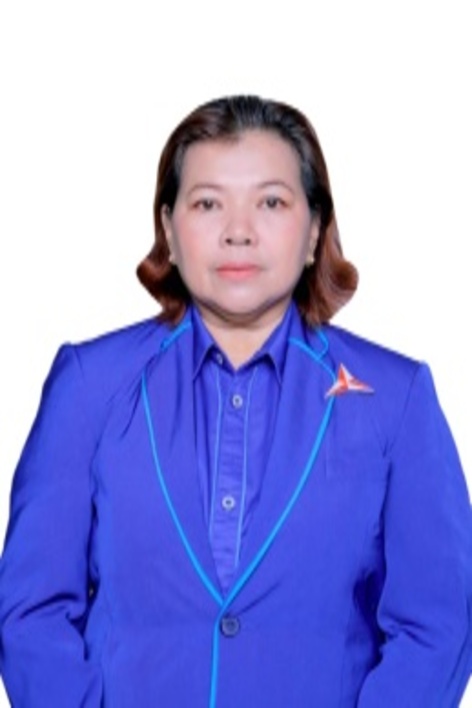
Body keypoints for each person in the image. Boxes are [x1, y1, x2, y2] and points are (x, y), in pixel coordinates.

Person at [0, 95, 471, 708]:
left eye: (271, 202)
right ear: (169, 230)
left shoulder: (396, 400)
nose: (239, 231)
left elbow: (437, 625)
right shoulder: (89, 385)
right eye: (207, 203)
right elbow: (32, 612)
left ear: (315, 231)